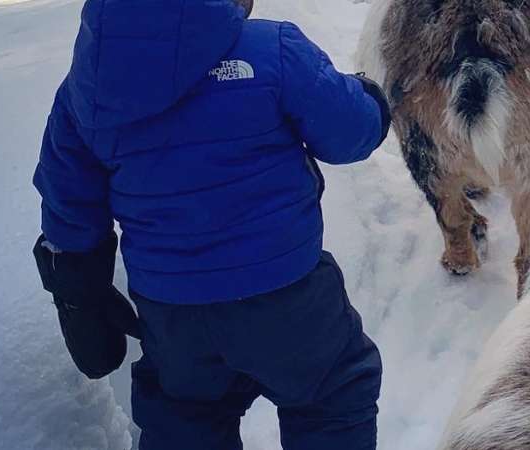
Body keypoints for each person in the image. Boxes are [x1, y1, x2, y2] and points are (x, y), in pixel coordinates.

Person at [30, 0, 391, 448]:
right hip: (290, 301)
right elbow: (348, 133)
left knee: (184, 422)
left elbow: (68, 203)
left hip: (174, 319)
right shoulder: (271, 50)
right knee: (331, 396)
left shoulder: (88, 88)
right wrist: (371, 101)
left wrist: (77, 292)